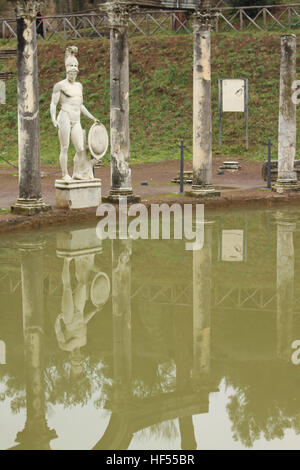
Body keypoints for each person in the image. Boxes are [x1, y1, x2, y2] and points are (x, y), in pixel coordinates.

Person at [50, 46, 99, 181]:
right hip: (65, 116)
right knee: (64, 147)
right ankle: (65, 173)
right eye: (71, 72)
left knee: (80, 148)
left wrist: (92, 117)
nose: (73, 75)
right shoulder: (59, 85)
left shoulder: (79, 86)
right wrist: (54, 119)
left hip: (76, 119)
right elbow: (53, 104)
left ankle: (77, 172)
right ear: (67, 71)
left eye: (75, 72)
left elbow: (80, 105)